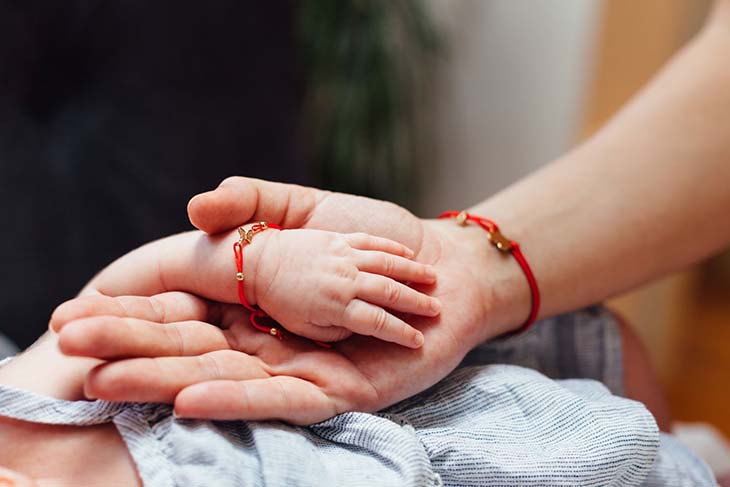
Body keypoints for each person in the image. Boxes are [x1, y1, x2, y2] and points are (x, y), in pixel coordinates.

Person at [0, 303, 714, 485]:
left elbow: (137, 289)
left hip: (389, 403)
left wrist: (250, 263)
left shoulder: (25, 390)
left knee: (606, 355)